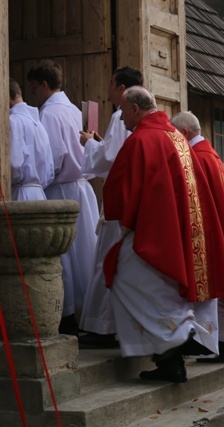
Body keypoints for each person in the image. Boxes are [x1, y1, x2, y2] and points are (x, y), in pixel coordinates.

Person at [102, 86, 224, 382]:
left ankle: (178, 334)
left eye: (123, 110)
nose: (121, 117)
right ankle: (170, 360)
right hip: (179, 230)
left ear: (136, 109)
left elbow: (126, 187)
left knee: (125, 276)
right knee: (157, 289)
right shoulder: (175, 137)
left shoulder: (141, 139)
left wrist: (125, 221)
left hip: (154, 232)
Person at [170, 111, 224, 363]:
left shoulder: (197, 158)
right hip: (219, 232)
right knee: (218, 291)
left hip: (207, 234)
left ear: (184, 133)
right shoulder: (210, 154)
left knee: (209, 292)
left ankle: (208, 344)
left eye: (176, 136)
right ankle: (223, 343)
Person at [27, 59, 99, 336]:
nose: (35, 94)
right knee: (84, 254)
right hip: (82, 188)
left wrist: (38, 182)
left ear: (44, 85)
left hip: (61, 187)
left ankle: (65, 315)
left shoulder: (48, 114)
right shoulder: (72, 109)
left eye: (35, 88)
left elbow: (52, 156)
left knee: (64, 256)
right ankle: (87, 316)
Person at [78, 66, 143, 348]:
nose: (107, 88)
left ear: (120, 89)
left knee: (106, 261)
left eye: (111, 84)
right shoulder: (131, 117)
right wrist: (100, 144)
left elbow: (109, 160)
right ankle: (111, 325)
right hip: (128, 196)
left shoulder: (120, 116)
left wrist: (90, 143)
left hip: (119, 199)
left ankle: (102, 328)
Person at [9, 78, 54, 201]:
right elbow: (50, 170)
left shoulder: (13, 121)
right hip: (39, 194)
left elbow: (13, 164)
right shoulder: (37, 123)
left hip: (19, 194)